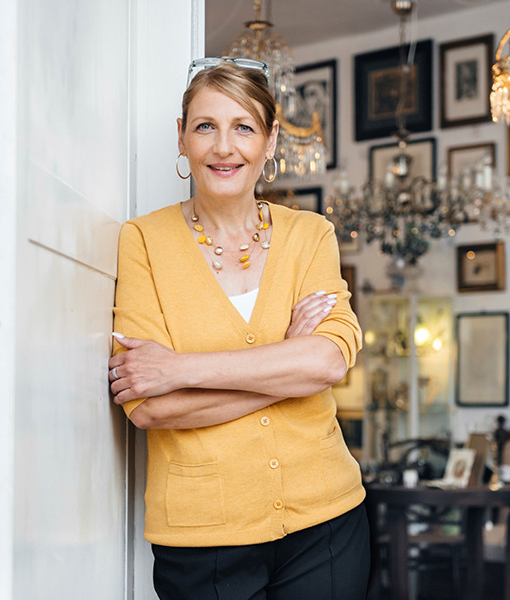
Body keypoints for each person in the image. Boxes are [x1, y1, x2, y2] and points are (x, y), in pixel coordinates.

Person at [108, 58, 368, 600]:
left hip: (327, 518)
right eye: (205, 126)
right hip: (203, 533)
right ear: (181, 138)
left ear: (270, 141)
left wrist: (180, 370)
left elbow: (326, 363)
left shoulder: (310, 236)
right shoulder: (143, 241)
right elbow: (149, 405)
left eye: (243, 127)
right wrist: (284, 365)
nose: (224, 147)